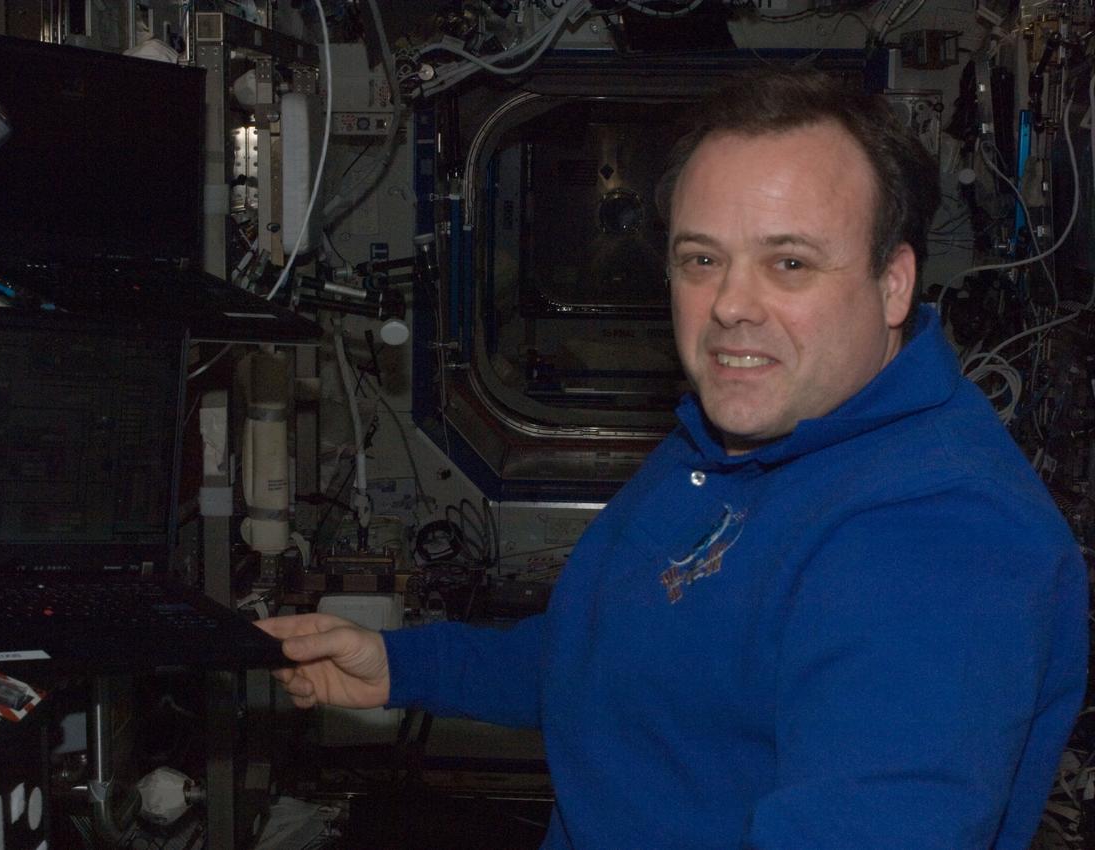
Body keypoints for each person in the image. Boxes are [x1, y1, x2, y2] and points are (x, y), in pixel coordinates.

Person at [258, 69, 1088, 849]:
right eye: (702, 259)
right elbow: (622, 648)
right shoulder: (744, 431)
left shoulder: (939, 541)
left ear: (894, 283)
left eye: (788, 262)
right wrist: (405, 665)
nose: (730, 304)